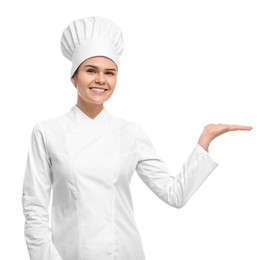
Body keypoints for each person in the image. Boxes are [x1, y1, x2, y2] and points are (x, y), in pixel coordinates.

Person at [21, 16, 252, 260]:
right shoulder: (47, 132)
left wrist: (205, 140)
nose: (101, 79)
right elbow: (34, 208)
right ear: (73, 77)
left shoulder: (130, 133)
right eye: (91, 71)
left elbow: (175, 194)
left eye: (110, 73)